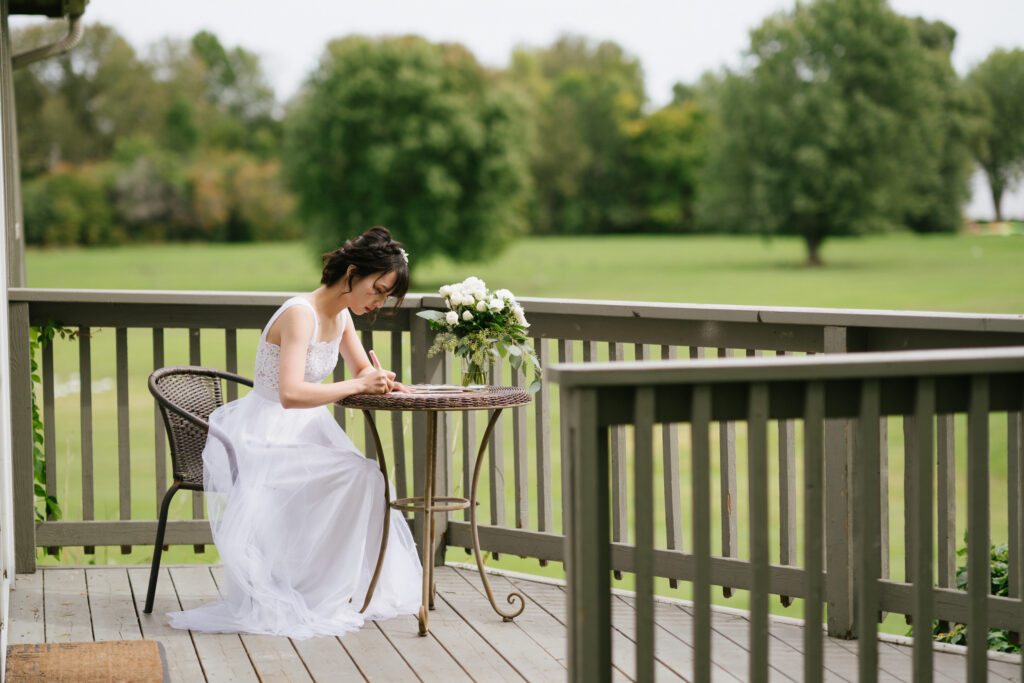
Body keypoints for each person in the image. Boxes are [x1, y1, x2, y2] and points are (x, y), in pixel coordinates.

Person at [167, 226, 422, 639]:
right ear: (352, 273)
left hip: (307, 433)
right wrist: (358, 386)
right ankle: (313, 590)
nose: (377, 303)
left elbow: (360, 370)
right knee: (362, 476)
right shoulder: (299, 314)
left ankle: (337, 586)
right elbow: (289, 393)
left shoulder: (340, 317)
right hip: (266, 435)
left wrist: (379, 378)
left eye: (385, 296)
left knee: (367, 477)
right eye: (377, 290)